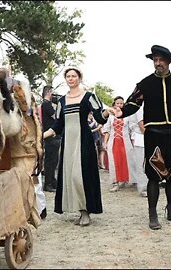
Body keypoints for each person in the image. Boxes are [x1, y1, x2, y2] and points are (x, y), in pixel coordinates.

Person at [109, 45, 171, 230]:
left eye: (161, 60)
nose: (157, 63)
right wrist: (121, 112)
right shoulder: (145, 84)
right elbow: (133, 104)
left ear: (168, 62)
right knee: (153, 176)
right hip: (154, 135)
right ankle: (153, 215)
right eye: (155, 60)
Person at [43, 66, 111, 226]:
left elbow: (99, 117)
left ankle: (86, 211)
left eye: (74, 76)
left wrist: (108, 112)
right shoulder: (61, 101)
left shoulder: (88, 96)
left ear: (79, 78)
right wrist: (40, 136)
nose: (71, 78)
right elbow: (57, 125)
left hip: (84, 141)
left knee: (80, 176)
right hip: (68, 142)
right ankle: (80, 210)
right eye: (68, 76)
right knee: (69, 176)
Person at [102, 96, 132, 192]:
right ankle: (115, 182)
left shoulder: (127, 115)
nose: (119, 105)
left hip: (125, 141)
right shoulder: (110, 116)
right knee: (113, 161)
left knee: (125, 161)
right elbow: (107, 130)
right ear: (114, 104)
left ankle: (124, 179)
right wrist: (105, 142)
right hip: (113, 141)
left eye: (121, 103)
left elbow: (131, 129)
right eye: (117, 103)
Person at [41, 85, 61, 192]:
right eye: (52, 93)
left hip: (54, 136)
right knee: (50, 161)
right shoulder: (46, 104)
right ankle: (48, 183)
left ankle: (53, 181)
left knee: (54, 161)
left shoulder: (48, 104)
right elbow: (56, 117)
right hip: (50, 136)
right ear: (49, 92)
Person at [128, 106, 148, 197]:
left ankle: (148, 185)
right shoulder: (141, 107)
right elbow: (141, 124)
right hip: (141, 138)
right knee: (141, 165)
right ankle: (143, 188)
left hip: (143, 138)